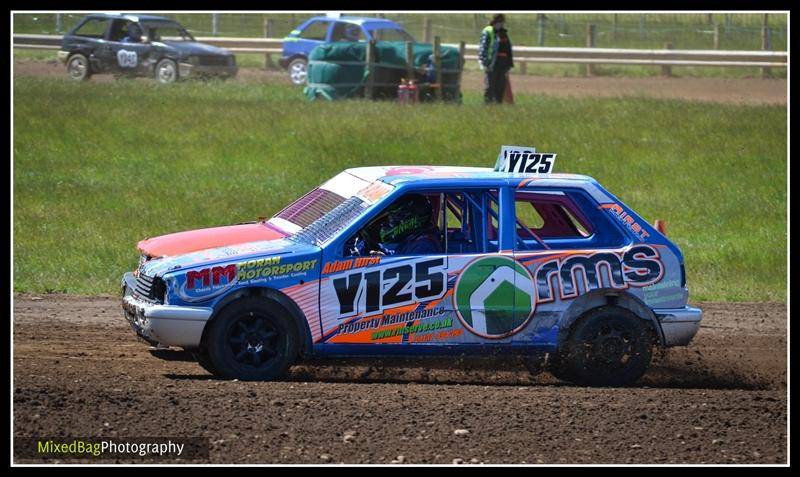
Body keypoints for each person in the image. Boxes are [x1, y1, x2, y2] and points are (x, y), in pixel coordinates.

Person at [353, 194, 442, 256]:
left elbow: (411, 274)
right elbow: (400, 255)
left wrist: (385, 262)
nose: (390, 222)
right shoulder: (412, 238)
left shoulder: (423, 246)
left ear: (411, 219)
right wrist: (383, 254)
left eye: (395, 218)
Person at [478, 14, 514, 104]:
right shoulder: (488, 31)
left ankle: (498, 104)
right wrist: (484, 62)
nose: (500, 23)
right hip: (491, 63)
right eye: (498, 21)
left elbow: (508, 49)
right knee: (490, 86)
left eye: (501, 21)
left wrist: (509, 64)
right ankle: (488, 104)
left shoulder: (504, 33)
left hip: (503, 64)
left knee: (501, 86)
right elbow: (483, 48)